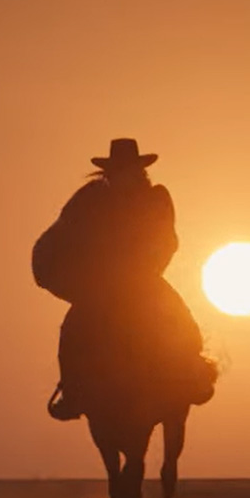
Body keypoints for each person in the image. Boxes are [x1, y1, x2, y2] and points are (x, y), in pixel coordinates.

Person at [32, 138, 216, 421]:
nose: (124, 176)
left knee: (182, 323)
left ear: (140, 171)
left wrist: (146, 271)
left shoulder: (156, 199)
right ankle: (72, 389)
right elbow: (65, 232)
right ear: (110, 172)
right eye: (119, 171)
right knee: (72, 331)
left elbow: (167, 240)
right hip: (100, 285)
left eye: (130, 170)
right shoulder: (89, 198)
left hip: (144, 280)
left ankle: (192, 376)